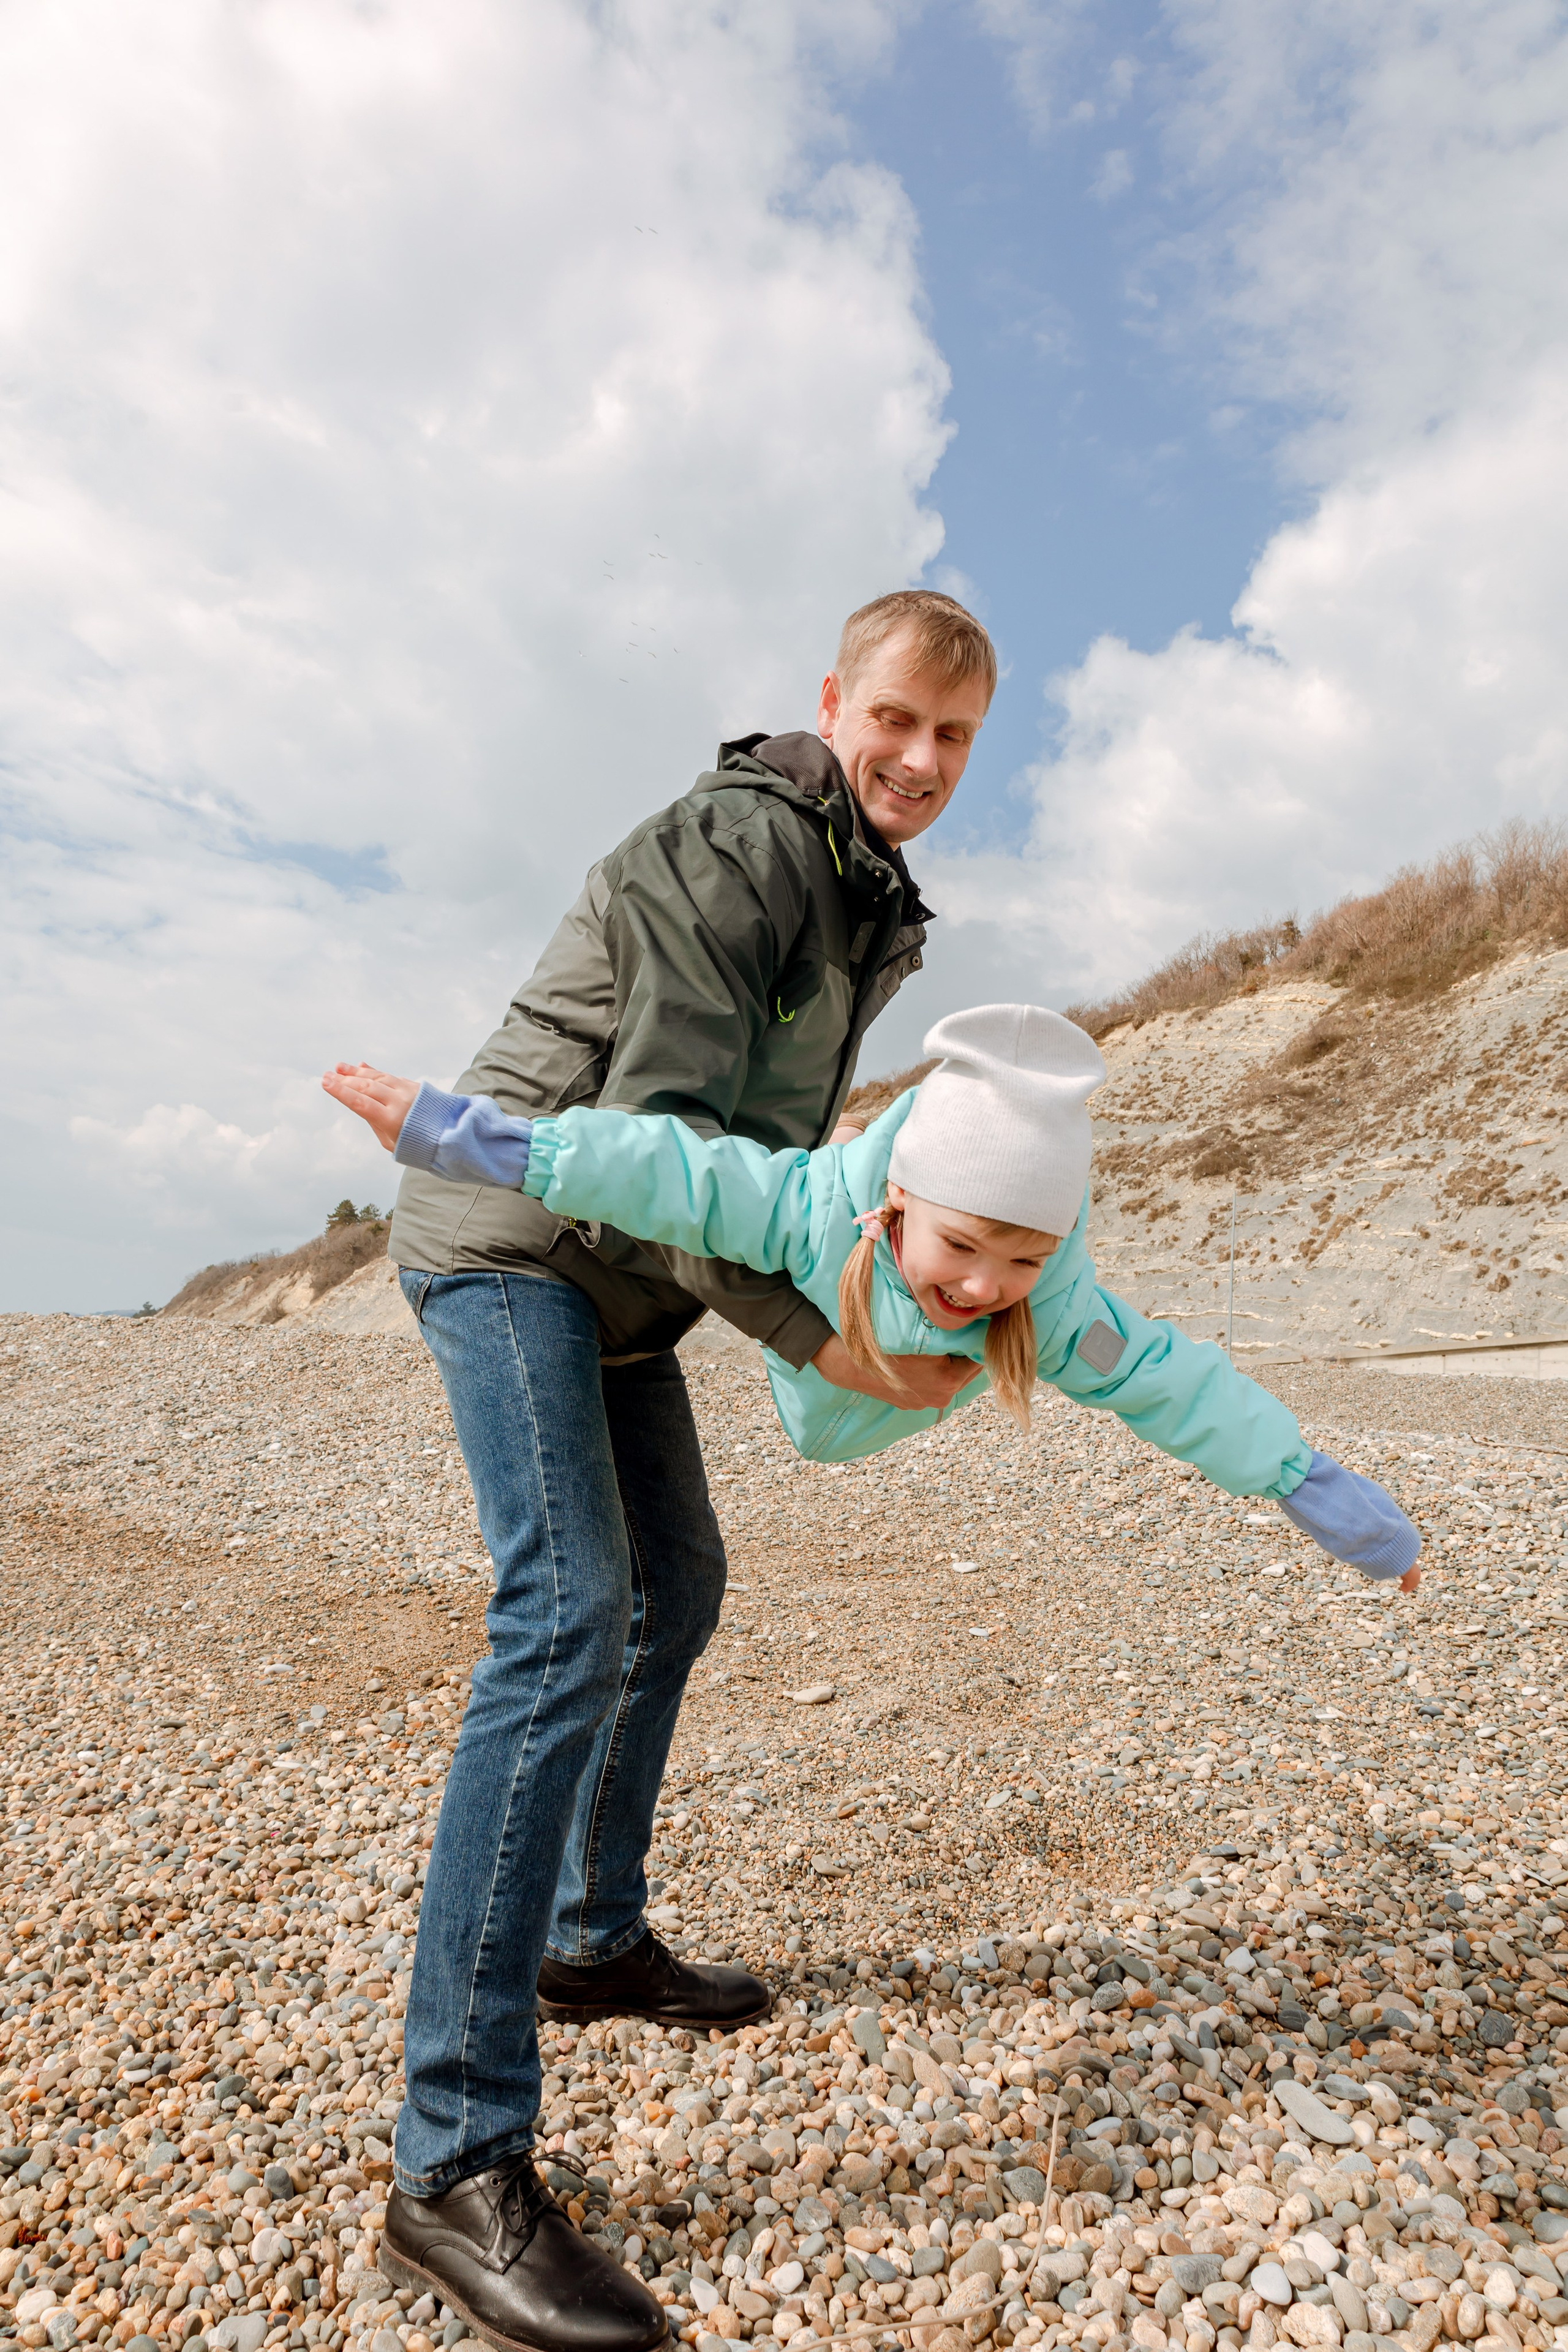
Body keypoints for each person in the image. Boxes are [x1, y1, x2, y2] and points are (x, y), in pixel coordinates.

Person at [333, 592, 996, 2352]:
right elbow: (670, 1148)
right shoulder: (745, 847)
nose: (921, 762)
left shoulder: (866, 901)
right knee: (563, 1615)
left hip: (616, 1275)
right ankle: (450, 2162)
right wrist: (823, 1342)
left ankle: (587, 1938)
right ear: (834, 703)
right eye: (899, 722)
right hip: (513, 1240)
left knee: (677, 1584)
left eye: (957, 740)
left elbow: (768, 1166)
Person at [331, 1003, 1422, 1590]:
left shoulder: (1044, 1311)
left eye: (1027, 1257)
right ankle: (859, 1152)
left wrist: (1321, 1495)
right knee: (727, 1195)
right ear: (900, 1199)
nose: (987, 1286)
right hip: (817, 1342)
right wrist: (463, 1134)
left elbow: (1170, 1383)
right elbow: (664, 1171)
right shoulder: (804, 1210)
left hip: (883, 1400)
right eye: (965, 1243)